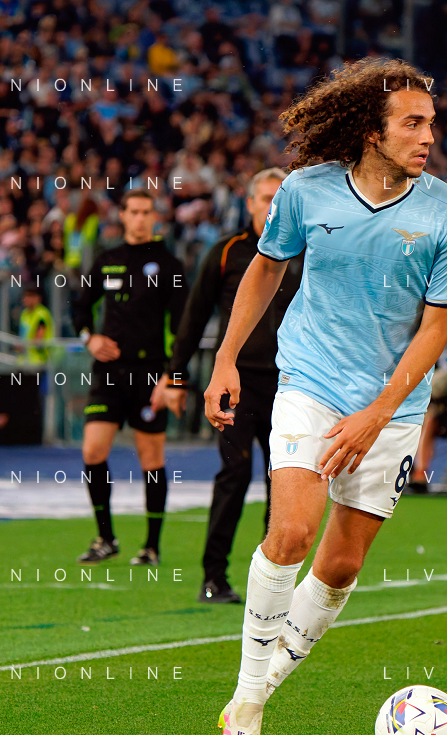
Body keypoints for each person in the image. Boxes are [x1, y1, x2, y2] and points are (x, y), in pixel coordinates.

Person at [202, 58, 447, 735]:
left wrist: (377, 414)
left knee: (341, 566)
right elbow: (267, 266)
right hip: (310, 382)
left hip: (393, 406)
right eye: (412, 124)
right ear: (370, 131)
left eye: (431, 124)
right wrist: (226, 357)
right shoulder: (305, 191)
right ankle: (247, 704)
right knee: (292, 532)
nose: (428, 137)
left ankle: (258, 692)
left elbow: (436, 328)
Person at [157, 168, 303, 604]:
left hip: (293, 385)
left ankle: (273, 582)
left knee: (286, 483)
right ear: (249, 203)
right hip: (238, 385)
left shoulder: (308, 251)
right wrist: (176, 377)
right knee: (234, 475)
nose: (272, 205)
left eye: (279, 197)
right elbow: (194, 316)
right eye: (265, 197)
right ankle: (213, 577)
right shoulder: (226, 252)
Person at [70, 189, 189, 567]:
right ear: (121, 215)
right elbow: (80, 307)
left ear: (155, 217)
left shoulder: (169, 265)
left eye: (146, 212)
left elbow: (183, 327)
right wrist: (90, 338)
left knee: (151, 458)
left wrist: (174, 378)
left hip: (150, 374)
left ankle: (151, 546)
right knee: (92, 451)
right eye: (133, 212)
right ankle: (105, 538)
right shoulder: (107, 261)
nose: (140, 218)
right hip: (108, 374)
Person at [18, 286, 55, 365]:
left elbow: (39, 336)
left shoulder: (42, 314)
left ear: (37, 298)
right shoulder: (24, 313)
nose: (25, 299)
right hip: (25, 359)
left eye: (29, 296)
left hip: (40, 360)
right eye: (25, 296)